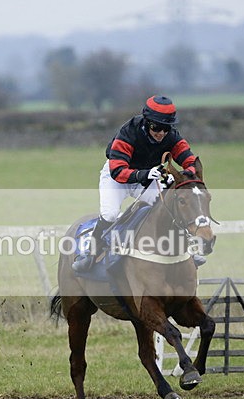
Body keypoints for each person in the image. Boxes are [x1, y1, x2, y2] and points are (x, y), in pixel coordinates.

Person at [72, 95, 203, 272]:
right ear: (146, 122)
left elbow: (190, 161)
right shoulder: (128, 133)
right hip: (117, 178)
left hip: (147, 177)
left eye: (166, 128)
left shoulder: (171, 137)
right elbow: (118, 171)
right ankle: (90, 253)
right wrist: (144, 174)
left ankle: (187, 249)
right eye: (156, 127)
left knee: (166, 209)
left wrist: (187, 174)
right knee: (110, 214)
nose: (161, 133)